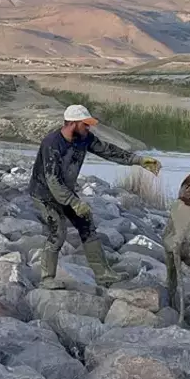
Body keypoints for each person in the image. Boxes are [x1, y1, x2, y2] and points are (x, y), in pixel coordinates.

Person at [29, 104, 162, 288]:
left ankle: (103, 274)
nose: (88, 127)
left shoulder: (84, 138)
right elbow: (53, 181)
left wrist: (138, 160)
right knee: (58, 232)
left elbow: (108, 150)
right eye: (85, 124)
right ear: (73, 124)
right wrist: (73, 202)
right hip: (44, 194)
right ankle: (47, 279)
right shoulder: (52, 144)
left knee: (86, 223)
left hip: (65, 191)